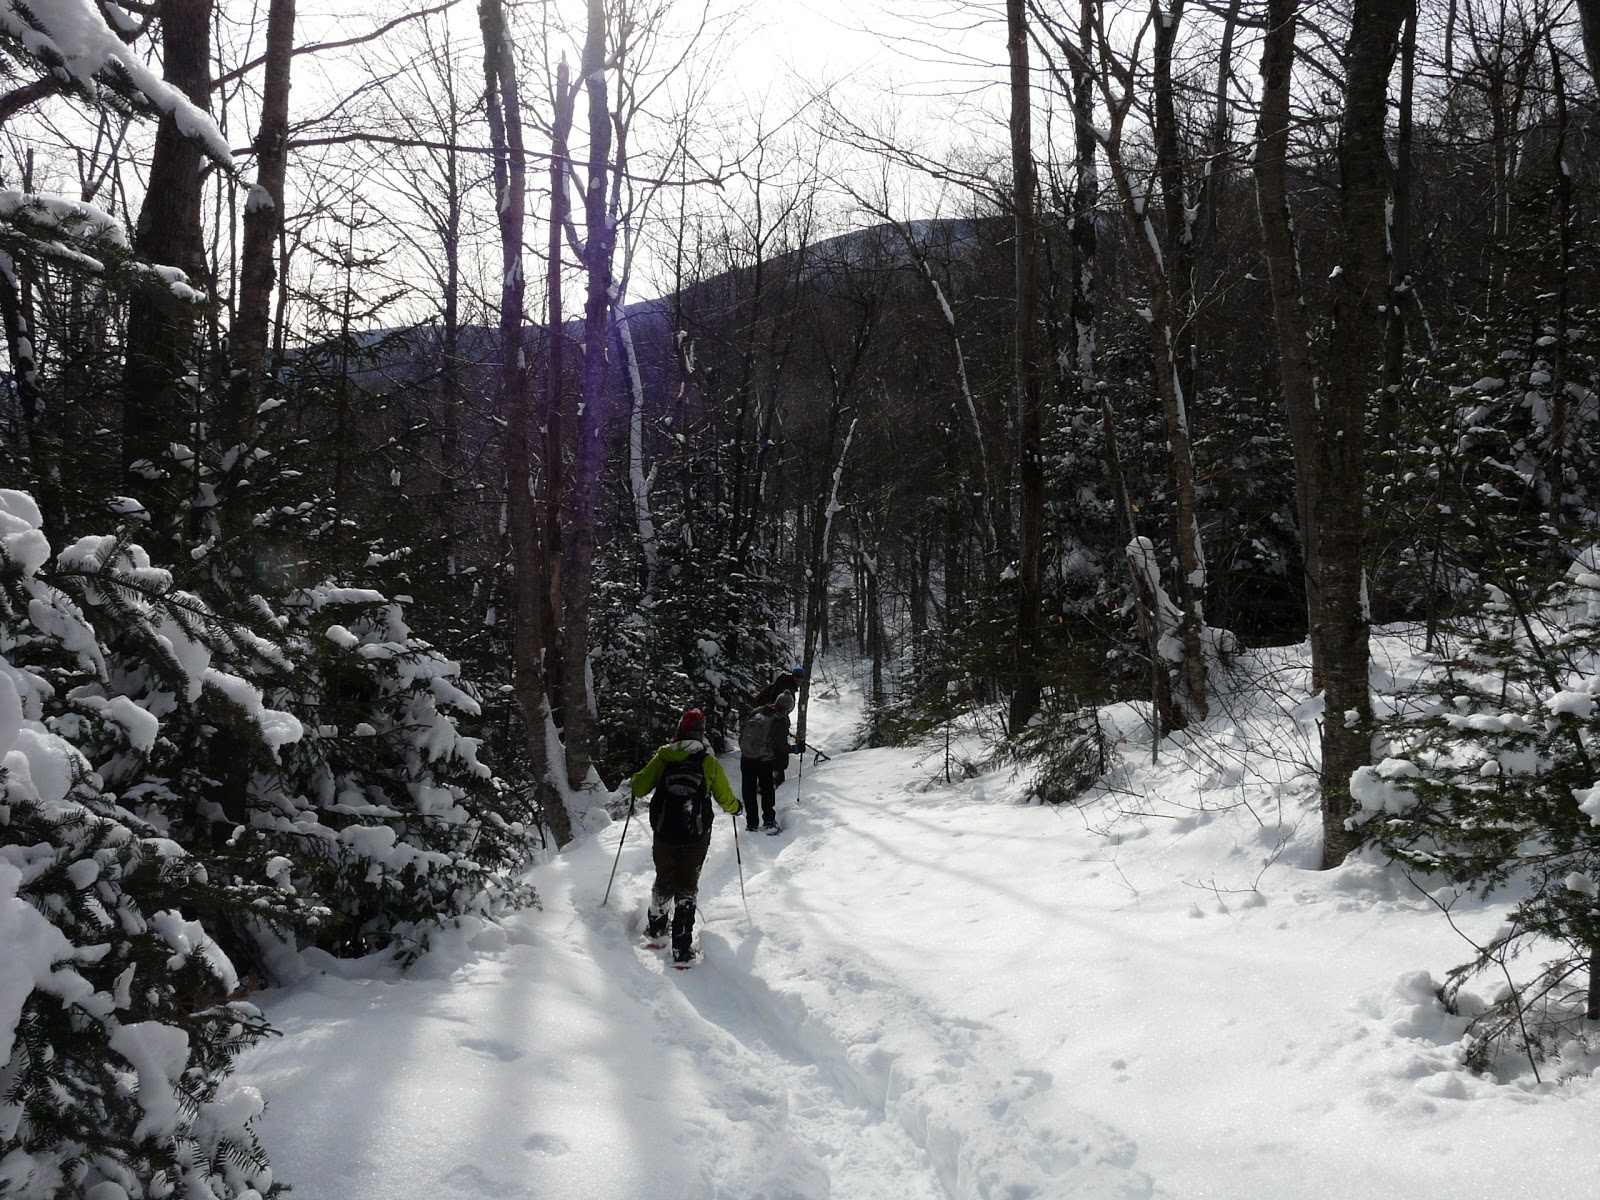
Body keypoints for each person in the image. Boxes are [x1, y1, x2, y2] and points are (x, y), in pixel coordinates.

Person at [630, 708, 741, 964]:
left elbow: (638, 787)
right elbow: (724, 798)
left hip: (664, 833)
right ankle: (681, 947)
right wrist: (736, 808)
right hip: (696, 835)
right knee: (687, 885)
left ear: (679, 730)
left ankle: (657, 930)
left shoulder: (664, 757)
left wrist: (639, 777)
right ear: (701, 735)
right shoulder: (708, 762)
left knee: (664, 878)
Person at [739, 690, 793, 834]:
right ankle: (769, 821)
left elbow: (743, 728)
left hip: (746, 757)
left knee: (748, 790)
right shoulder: (779, 720)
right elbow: (781, 745)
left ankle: (751, 823)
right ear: (787, 708)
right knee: (767, 790)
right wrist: (793, 750)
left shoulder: (758, 711)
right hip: (764, 760)